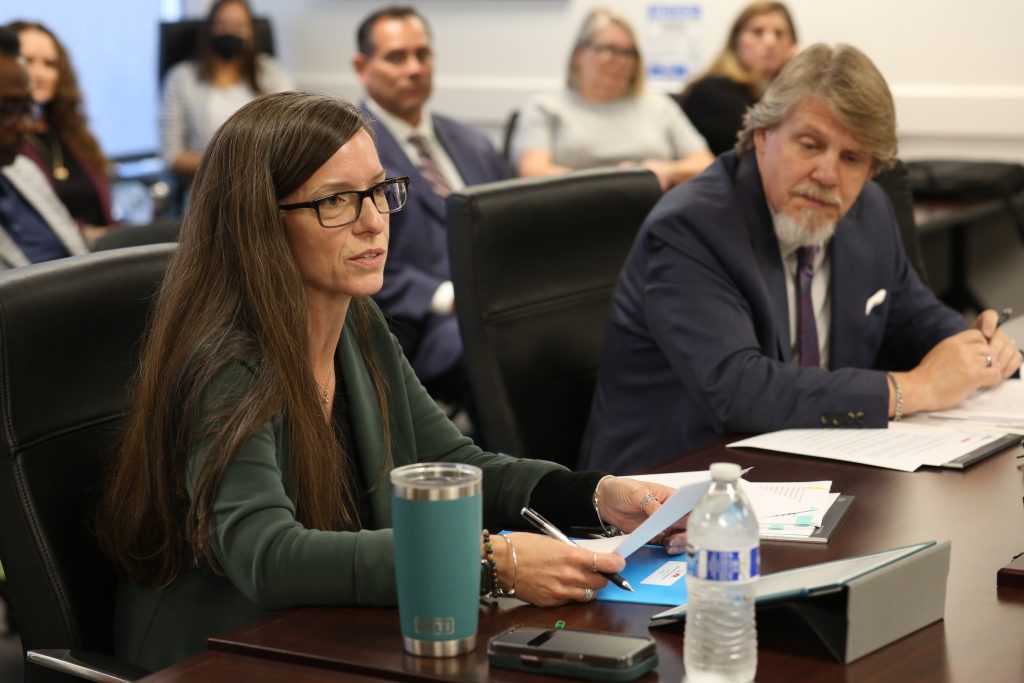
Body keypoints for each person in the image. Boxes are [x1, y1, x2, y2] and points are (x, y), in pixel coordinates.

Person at [96, 91, 682, 671]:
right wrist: (490, 561)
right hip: (221, 653)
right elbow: (266, 555)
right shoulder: (226, 360)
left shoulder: (356, 319)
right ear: (259, 221)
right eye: (336, 202)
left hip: (329, 632)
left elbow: (452, 464)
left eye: (378, 191)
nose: (374, 222)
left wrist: (597, 496)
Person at [580, 44, 1022, 474]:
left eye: (851, 158)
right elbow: (737, 390)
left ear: (871, 170)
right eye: (810, 145)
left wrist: (975, 348)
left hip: (809, 466)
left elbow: (912, 315)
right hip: (666, 487)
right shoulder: (693, 226)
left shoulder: (868, 210)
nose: (827, 174)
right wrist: (915, 388)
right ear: (762, 136)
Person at [352, 6, 506, 426]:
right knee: (502, 347)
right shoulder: (348, 154)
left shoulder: (471, 142)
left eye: (422, 54)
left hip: (502, 302)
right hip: (420, 327)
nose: (414, 68)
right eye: (396, 57)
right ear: (362, 67)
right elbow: (346, 258)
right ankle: (515, 464)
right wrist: (452, 297)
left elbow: (512, 227)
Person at [510, 7, 713, 192]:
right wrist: (611, 185)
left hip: (653, 209)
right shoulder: (545, 107)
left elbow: (704, 163)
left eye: (628, 53)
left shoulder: (659, 105)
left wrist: (666, 170)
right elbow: (533, 170)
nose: (620, 61)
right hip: (574, 208)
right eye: (608, 49)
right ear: (579, 54)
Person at [7, 21, 115, 245]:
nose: (39, 74)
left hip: (106, 250)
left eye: (49, 64)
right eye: (28, 61)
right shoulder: (7, 143)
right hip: (56, 257)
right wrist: (86, 235)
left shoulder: (75, 135)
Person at [161, 0, 292, 179]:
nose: (230, 32)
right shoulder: (182, 77)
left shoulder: (272, 73)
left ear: (252, 33)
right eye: (221, 24)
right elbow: (172, 156)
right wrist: (232, 165)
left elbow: (290, 134)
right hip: (207, 184)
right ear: (208, 30)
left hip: (265, 179)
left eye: (239, 26)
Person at [0, 26, 88, 269]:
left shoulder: (23, 170)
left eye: (27, 108)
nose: (25, 125)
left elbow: (81, 261)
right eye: (6, 110)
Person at [674, 2, 797, 156]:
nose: (770, 42)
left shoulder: (774, 92)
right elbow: (765, 148)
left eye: (779, 34)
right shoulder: (712, 91)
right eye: (758, 32)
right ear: (736, 40)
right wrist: (796, 76)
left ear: (792, 44)